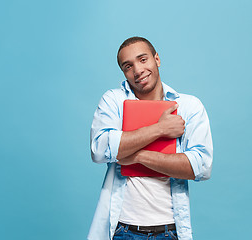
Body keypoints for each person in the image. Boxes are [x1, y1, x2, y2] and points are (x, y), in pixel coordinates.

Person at [88, 36, 213, 240]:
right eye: (128, 66)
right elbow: (100, 150)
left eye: (143, 59)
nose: (137, 70)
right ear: (124, 72)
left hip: (170, 231)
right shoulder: (113, 101)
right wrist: (160, 128)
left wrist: (137, 156)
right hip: (122, 230)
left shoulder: (190, 107)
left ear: (157, 59)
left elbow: (201, 166)